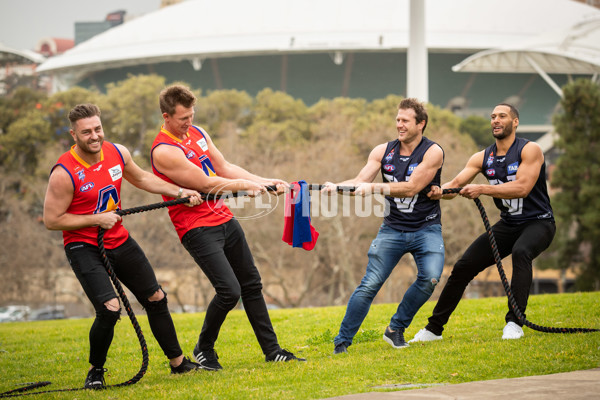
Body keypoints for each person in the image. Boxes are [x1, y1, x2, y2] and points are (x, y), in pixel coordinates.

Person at [43, 104, 205, 389]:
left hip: (119, 239)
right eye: (86, 132)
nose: (94, 136)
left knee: (155, 297)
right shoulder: (64, 172)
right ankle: (95, 372)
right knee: (109, 308)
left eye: (97, 129)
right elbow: (52, 220)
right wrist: (96, 219)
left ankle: (179, 363)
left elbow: (142, 178)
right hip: (84, 246)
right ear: (74, 134)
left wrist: (179, 191)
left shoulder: (118, 153)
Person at [150, 84, 305, 370]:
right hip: (195, 228)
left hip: (223, 218)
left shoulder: (198, 133)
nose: (189, 123)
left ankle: (273, 351)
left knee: (252, 284)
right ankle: (204, 348)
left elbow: (225, 168)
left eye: (192, 115)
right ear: (166, 117)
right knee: (229, 291)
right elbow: (206, 183)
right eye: (183, 118)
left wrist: (265, 181)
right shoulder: (164, 151)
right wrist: (248, 186)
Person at [409, 103, 555, 343]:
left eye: (502, 116)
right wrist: (437, 190)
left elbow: (522, 188)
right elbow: (455, 184)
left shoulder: (531, 150)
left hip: (538, 222)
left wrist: (483, 188)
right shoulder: (482, 157)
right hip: (508, 224)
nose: (496, 120)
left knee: (521, 252)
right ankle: (433, 330)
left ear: (515, 122)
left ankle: (514, 323)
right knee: (463, 266)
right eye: (492, 117)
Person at [323, 98, 445, 353]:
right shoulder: (383, 151)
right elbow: (360, 181)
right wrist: (336, 187)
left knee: (430, 278)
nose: (399, 125)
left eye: (405, 121)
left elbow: (412, 188)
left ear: (421, 124)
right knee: (369, 285)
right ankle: (342, 342)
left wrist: (375, 188)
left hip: (426, 229)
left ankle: (395, 328)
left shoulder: (433, 152)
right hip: (392, 229)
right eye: (397, 120)